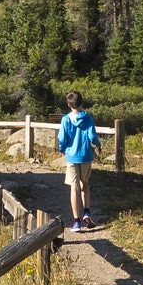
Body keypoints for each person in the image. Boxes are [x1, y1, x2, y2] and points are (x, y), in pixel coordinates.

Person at [56, 90, 100, 231]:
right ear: (81, 102)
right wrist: (97, 144)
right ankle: (87, 211)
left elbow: (62, 138)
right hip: (86, 155)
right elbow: (92, 136)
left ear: (69, 105)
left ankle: (76, 221)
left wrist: (61, 149)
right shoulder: (88, 118)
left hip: (71, 156)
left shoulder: (66, 119)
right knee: (85, 184)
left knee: (73, 187)